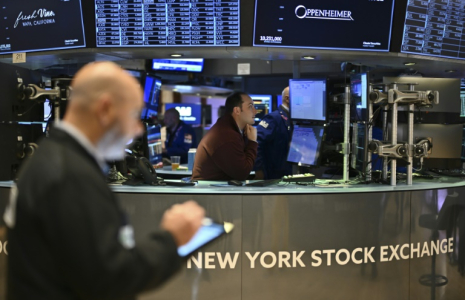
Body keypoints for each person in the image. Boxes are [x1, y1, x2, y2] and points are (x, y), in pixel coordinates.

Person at [3, 62, 205, 300]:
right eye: (133, 116)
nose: (138, 130)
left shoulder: (52, 157)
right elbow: (110, 279)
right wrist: (171, 239)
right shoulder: (71, 176)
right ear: (105, 109)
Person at [191, 92, 257, 181]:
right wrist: (252, 142)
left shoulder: (229, 129)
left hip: (216, 189)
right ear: (237, 110)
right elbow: (242, 173)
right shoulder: (227, 136)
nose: (255, 111)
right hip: (210, 191)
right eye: (250, 106)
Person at [255, 87, 293, 179]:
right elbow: (256, 143)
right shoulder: (273, 118)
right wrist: (259, 170)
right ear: (287, 99)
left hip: (288, 173)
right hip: (273, 175)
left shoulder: (293, 119)